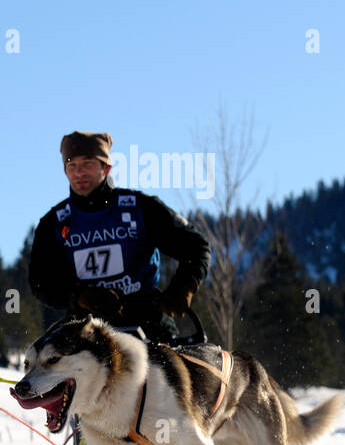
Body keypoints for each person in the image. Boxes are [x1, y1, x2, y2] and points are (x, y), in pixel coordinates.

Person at [29, 130, 211, 343]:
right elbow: (40, 281)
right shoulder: (53, 223)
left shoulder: (140, 208)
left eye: (87, 164)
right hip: (84, 332)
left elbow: (197, 247)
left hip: (148, 325)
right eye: (72, 166)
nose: (79, 173)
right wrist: (79, 297)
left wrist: (183, 287)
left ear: (106, 167)